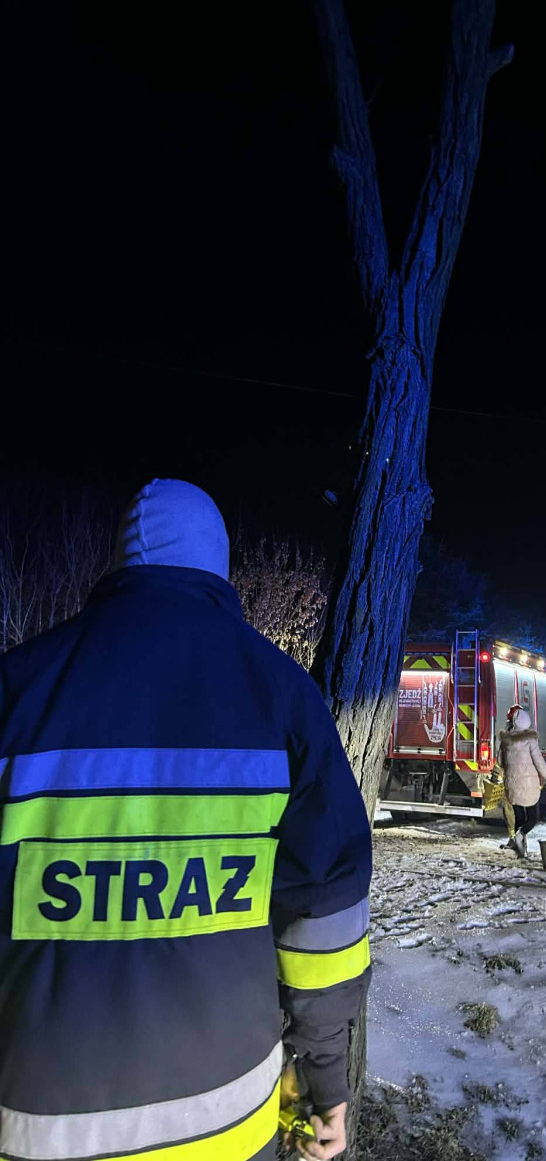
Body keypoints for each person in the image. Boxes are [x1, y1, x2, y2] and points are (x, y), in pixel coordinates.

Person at [0, 479, 371, 1161]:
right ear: (216, 567)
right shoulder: (281, 697)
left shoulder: (17, 690)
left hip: (37, 1123)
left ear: (118, 563)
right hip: (225, 1124)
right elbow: (325, 916)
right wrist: (324, 1080)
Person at [497, 704, 546, 859]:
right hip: (529, 786)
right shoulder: (530, 741)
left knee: (519, 817)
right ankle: (520, 836)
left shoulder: (505, 740)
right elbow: (539, 763)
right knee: (532, 817)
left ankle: (521, 849)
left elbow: (500, 761)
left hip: (512, 784)